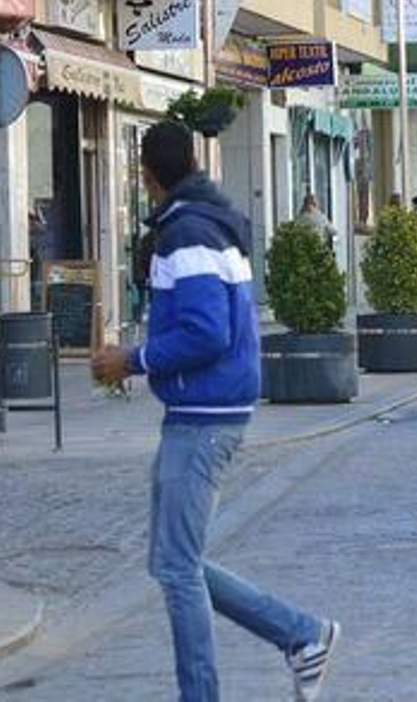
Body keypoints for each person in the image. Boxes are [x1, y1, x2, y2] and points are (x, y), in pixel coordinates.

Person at [92, 122, 339, 702]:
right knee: (172, 560)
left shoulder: (189, 233)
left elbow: (207, 330)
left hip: (206, 415)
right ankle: (302, 636)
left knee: (176, 567)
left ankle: (211, 689)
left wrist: (134, 359)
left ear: (147, 175)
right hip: (202, 410)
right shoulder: (203, 221)